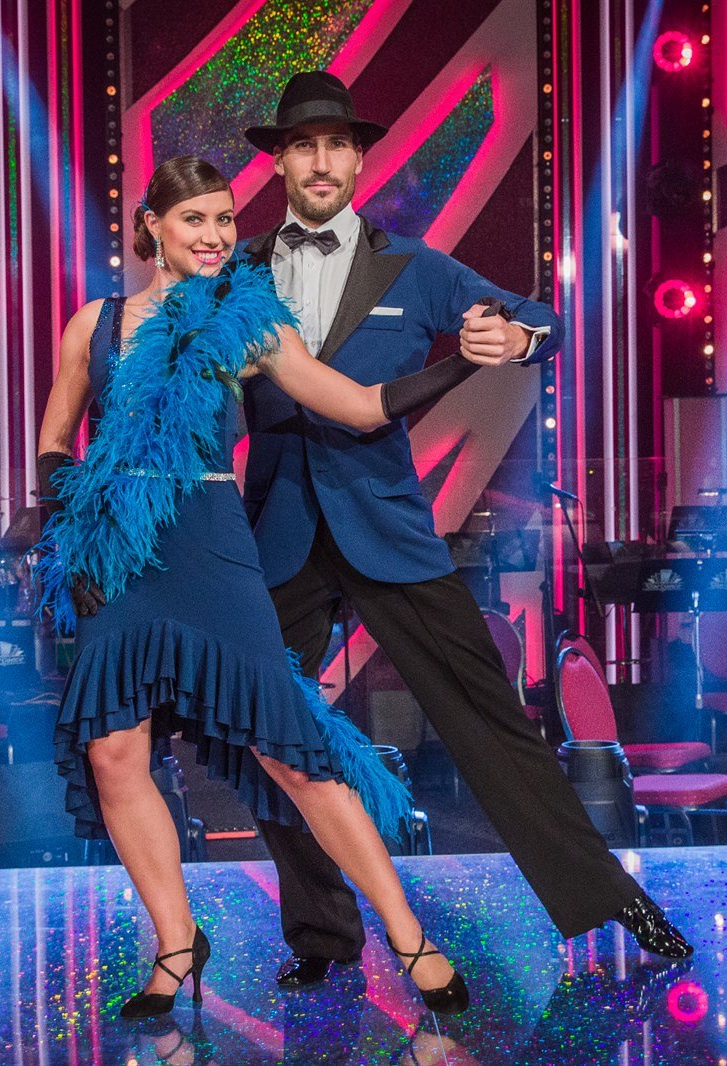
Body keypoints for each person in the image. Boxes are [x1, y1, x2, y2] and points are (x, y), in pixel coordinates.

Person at [238, 71, 693, 989]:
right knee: (272, 734)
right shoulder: (236, 271)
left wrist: (515, 341)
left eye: (337, 145)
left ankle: (608, 895)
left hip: (391, 532)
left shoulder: (419, 268)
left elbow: (539, 319)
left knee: (490, 722)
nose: (321, 162)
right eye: (303, 146)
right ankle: (321, 935)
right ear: (280, 162)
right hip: (275, 531)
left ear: (358, 161)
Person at [35, 155, 498, 1019]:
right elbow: (56, 442)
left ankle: (410, 938)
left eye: (223, 219)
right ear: (152, 227)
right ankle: (176, 944)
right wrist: (75, 541)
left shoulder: (247, 320)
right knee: (114, 753)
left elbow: (356, 406)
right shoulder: (95, 324)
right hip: (118, 558)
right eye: (195, 220)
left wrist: (460, 364)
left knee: (292, 751)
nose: (216, 236)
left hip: (212, 550)